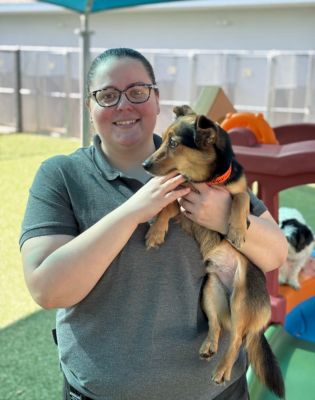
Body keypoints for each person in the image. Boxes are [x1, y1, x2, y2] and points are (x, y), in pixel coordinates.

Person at [20, 47, 287, 400]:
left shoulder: (202, 167)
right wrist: (132, 211)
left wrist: (223, 216)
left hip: (217, 392)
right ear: (89, 108)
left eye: (137, 91)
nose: (123, 105)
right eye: (107, 95)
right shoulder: (63, 176)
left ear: (157, 99)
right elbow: (48, 289)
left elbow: (276, 253)